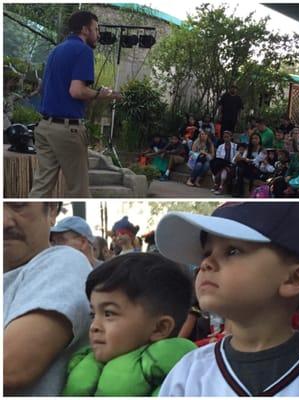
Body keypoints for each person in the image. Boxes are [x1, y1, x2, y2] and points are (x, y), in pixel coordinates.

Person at [155, 202, 299, 396]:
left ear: (294, 279)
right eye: (207, 253)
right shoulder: (188, 371)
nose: (205, 264)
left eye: (233, 251)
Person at [62, 252, 197, 396]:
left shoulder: (180, 385)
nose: (94, 326)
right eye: (93, 315)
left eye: (109, 313)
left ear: (159, 328)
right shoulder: (80, 363)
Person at [29, 11, 121, 198]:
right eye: (96, 29)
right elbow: (77, 91)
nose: (98, 34)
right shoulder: (83, 51)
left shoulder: (56, 50)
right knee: (79, 191)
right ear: (85, 30)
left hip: (44, 127)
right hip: (67, 130)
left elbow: (43, 89)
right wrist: (100, 94)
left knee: (41, 188)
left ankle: (30, 224)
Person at [4, 202, 92, 395]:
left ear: (52, 210)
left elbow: (10, 367)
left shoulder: (64, 261)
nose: (4, 222)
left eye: (18, 206)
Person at [210, 130, 237, 195]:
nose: (226, 139)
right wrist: (224, 165)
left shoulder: (235, 146)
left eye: (227, 137)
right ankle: (218, 186)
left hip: (231, 164)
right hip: (222, 164)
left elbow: (236, 157)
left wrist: (229, 165)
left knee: (224, 171)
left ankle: (220, 187)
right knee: (222, 170)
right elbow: (218, 157)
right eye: (224, 137)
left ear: (231, 137)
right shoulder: (220, 146)